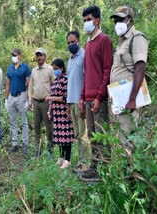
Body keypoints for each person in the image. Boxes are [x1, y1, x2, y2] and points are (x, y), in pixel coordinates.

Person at [79, 5, 113, 179]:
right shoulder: (88, 43)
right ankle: (95, 166)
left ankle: (105, 170)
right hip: (88, 97)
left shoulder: (104, 40)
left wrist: (100, 97)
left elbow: (107, 71)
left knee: (101, 133)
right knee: (92, 134)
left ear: (97, 20)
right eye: (84, 20)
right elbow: (87, 72)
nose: (86, 23)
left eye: (89, 20)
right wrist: (82, 97)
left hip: (99, 98)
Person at [110, 6, 149, 149]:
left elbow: (140, 68)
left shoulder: (137, 38)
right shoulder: (121, 42)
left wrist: (132, 99)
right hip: (120, 98)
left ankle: (131, 170)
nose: (117, 23)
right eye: (115, 20)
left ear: (130, 20)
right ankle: (126, 169)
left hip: (129, 98)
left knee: (128, 139)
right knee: (122, 136)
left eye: (121, 19)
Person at [66, 31, 91, 173]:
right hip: (72, 101)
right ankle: (81, 160)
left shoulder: (84, 55)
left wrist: (83, 100)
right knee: (77, 134)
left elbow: (86, 78)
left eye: (73, 42)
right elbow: (70, 82)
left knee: (83, 134)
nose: (71, 45)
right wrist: (68, 105)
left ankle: (85, 162)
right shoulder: (70, 59)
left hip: (81, 101)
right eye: (69, 43)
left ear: (79, 40)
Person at [46, 59, 74, 169]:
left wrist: (50, 98)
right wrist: (50, 110)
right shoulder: (55, 81)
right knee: (59, 136)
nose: (55, 71)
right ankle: (61, 157)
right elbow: (51, 98)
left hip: (64, 112)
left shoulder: (65, 80)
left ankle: (68, 159)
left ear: (62, 68)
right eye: (54, 69)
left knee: (66, 136)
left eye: (56, 69)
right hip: (56, 112)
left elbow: (65, 97)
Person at [28, 48, 54, 157]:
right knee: (37, 128)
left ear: (45, 56)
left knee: (49, 128)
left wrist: (52, 101)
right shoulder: (33, 70)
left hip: (46, 102)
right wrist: (30, 101)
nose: (39, 57)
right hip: (36, 102)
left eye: (41, 55)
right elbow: (30, 87)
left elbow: (54, 85)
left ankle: (50, 151)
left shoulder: (50, 69)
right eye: (37, 55)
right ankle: (38, 151)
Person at [5, 48, 31, 154]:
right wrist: (6, 99)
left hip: (21, 96)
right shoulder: (10, 68)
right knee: (13, 122)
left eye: (15, 55)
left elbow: (29, 83)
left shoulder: (25, 67)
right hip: (11, 96)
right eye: (12, 55)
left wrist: (28, 99)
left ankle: (25, 144)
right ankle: (14, 144)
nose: (13, 57)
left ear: (20, 56)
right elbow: (7, 84)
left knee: (24, 122)